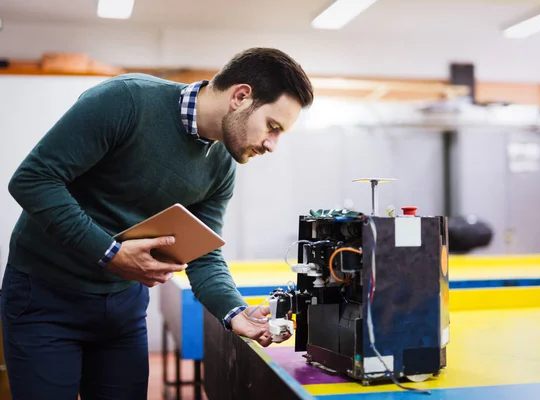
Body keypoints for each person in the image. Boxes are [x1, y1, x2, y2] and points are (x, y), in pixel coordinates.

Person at [1, 47, 314, 399]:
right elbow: (33, 179)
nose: (272, 144)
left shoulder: (221, 166)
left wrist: (234, 311)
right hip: (45, 297)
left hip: (122, 308)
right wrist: (109, 252)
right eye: (272, 127)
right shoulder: (127, 100)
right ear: (240, 97)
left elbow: (203, 253)